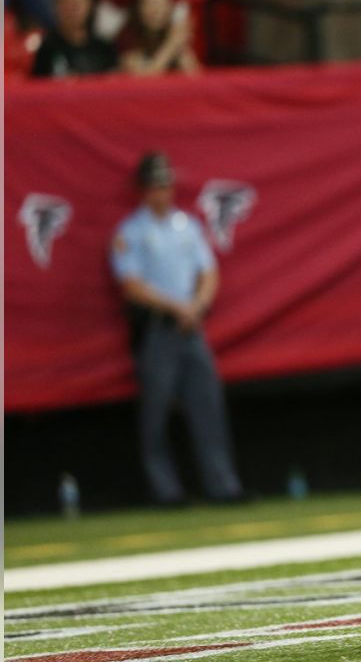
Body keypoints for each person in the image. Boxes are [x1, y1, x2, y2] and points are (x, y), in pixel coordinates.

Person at [110, 152, 244, 505]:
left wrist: (197, 305)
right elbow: (132, 285)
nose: (163, 192)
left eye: (167, 185)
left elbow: (209, 271)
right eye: (156, 186)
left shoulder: (188, 225)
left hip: (191, 326)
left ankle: (222, 484)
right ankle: (166, 490)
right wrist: (176, 306)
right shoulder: (131, 232)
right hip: (157, 327)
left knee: (207, 405)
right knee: (156, 410)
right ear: (143, 190)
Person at [31, 0, 117, 78]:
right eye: (67, 0)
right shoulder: (44, 49)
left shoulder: (105, 50)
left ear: (91, 5)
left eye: (79, 1)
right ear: (56, 4)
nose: (73, 8)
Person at [117, 0, 200, 76]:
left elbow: (196, 78)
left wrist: (181, 46)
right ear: (138, 7)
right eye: (149, 3)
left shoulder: (173, 32)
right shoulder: (127, 36)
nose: (156, 10)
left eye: (162, 3)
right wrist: (171, 45)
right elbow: (142, 80)